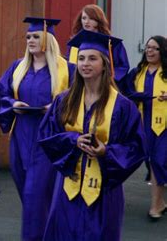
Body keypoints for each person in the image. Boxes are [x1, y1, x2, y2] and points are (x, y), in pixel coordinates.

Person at [38, 30, 146, 240]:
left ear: (105, 64)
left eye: (92, 58)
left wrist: (107, 151)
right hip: (68, 188)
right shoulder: (64, 101)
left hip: (104, 191)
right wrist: (73, 140)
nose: (85, 63)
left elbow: (136, 147)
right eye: (81, 58)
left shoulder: (123, 106)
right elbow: (47, 135)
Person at [0, 17, 75, 240]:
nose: (30, 40)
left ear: (48, 40)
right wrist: (13, 104)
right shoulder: (18, 67)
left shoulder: (67, 69)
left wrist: (55, 107)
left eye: (35, 36)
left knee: (34, 196)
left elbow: (78, 101)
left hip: (49, 139)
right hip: (21, 136)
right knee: (30, 196)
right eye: (28, 36)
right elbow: (2, 93)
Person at [123, 35, 167, 221]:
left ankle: (155, 206)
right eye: (147, 47)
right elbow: (126, 91)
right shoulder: (137, 72)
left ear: (162, 51)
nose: (149, 51)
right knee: (151, 163)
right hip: (144, 125)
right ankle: (161, 202)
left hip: (164, 126)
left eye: (155, 48)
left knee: (159, 161)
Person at [67, 4, 130, 85]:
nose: (86, 21)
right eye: (84, 18)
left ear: (98, 20)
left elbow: (122, 67)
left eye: (91, 18)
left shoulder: (112, 43)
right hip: (78, 85)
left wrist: (108, 79)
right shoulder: (75, 43)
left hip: (104, 85)